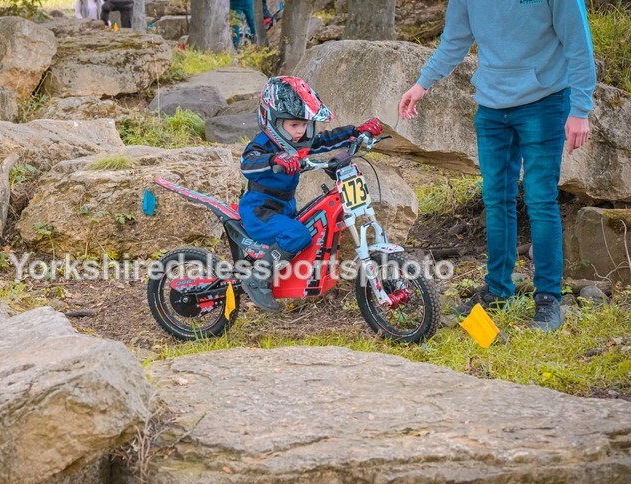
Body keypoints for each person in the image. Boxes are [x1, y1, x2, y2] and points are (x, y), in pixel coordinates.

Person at [399, 0, 596, 331]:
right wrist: (422, 84)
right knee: (496, 197)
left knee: (540, 198)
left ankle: (548, 299)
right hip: (491, 107)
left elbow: (578, 43)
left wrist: (580, 109)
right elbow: (455, 40)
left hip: (545, 102)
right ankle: (498, 290)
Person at [239, 76, 383, 311]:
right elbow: (248, 163)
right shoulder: (262, 145)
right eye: (293, 125)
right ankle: (257, 279)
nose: (300, 131)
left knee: (308, 229)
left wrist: (356, 132)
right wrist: (276, 159)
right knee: (298, 235)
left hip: (285, 208)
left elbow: (324, 140)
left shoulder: (298, 141)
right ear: (273, 121)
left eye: (304, 124)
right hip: (259, 210)